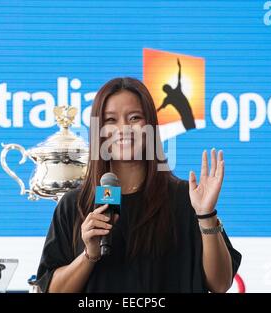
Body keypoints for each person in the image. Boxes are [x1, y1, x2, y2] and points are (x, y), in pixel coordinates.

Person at [35, 77, 241, 293]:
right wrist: (89, 254)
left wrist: (206, 215)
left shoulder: (186, 198)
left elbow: (220, 284)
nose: (123, 128)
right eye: (111, 120)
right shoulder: (74, 204)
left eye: (134, 118)